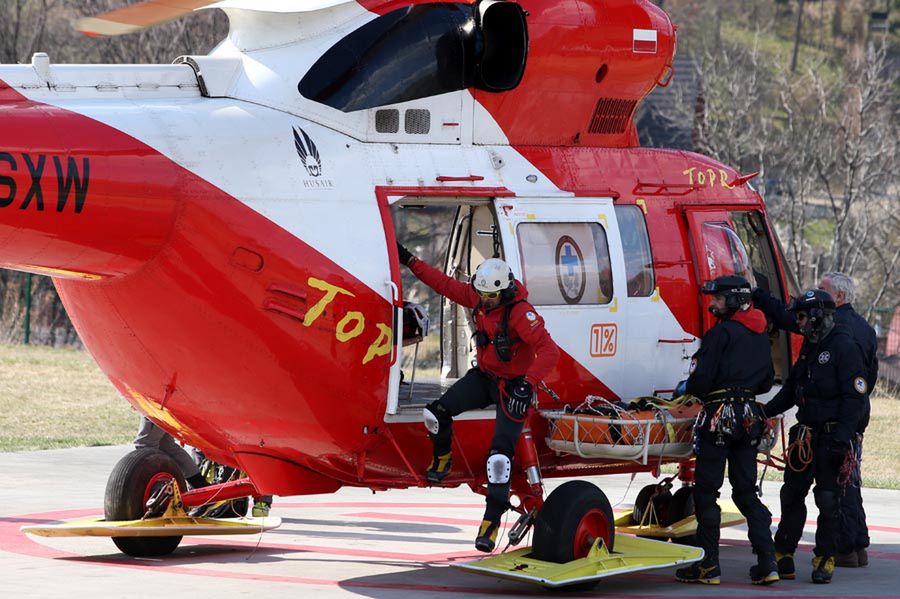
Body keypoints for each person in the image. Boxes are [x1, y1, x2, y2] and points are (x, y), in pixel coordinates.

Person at [396, 242, 559, 552]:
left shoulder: (521, 313)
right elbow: (443, 284)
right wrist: (410, 261)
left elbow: (550, 351)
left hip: (513, 388)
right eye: (481, 295)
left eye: (490, 296)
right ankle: (442, 458)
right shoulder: (479, 297)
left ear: (505, 291)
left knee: (499, 460)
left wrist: (528, 383)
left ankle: (491, 522)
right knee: (435, 413)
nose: (484, 301)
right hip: (484, 378)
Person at [754, 272, 878, 567]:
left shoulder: (845, 342)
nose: (797, 323)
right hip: (808, 433)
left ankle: (832, 553)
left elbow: (856, 394)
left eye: (802, 317)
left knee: (830, 496)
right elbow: (793, 387)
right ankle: (789, 551)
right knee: (795, 493)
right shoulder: (813, 344)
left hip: (835, 434)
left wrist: (843, 435)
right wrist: (764, 412)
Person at [673, 275, 778, 586]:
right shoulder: (761, 334)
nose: (713, 303)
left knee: (706, 493)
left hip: (719, 417)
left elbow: (699, 381)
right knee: (746, 491)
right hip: (748, 418)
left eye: (718, 298)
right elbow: (765, 381)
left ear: (733, 300)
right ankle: (768, 562)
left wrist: (692, 389)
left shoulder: (720, 334)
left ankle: (708, 565)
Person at [134, 415, 209, 490]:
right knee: (166, 445)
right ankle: (200, 484)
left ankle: (155, 489)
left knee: (145, 444)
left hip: (159, 406)